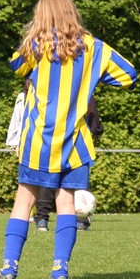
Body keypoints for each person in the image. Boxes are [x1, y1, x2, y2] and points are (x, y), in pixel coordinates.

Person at [0, 0, 137, 279]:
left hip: (38, 140)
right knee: (67, 204)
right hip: (74, 142)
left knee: (24, 201)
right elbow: (129, 76)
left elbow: (16, 66)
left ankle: (9, 269)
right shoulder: (95, 48)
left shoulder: (36, 45)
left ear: (41, 15)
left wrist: (35, 40)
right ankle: (59, 271)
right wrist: (93, 78)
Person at [33, 99, 103, 232]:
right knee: (78, 182)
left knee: (48, 180)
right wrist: (97, 129)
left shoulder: (43, 89)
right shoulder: (81, 87)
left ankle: (42, 220)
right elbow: (91, 109)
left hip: (49, 140)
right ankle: (81, 221)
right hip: (76, 141)